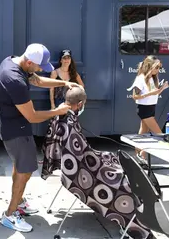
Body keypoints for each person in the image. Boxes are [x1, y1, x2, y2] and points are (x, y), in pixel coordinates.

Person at [41, 86, 152, 239]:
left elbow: (79, 152)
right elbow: (82, 157)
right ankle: (133, 227)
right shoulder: (69, 121)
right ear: (80, 104)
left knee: (112, 159)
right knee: (125, 184)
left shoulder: (60, 115)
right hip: (82, 172)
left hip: (76, 165)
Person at [0, 43, 80, 232]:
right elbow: (32, 116)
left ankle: (20, 202)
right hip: (17, 132)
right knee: (24, 173)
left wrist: (63, 83)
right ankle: (9, 215)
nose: (41, 69)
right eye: (39, 66)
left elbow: (37, 80)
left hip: (14, 129)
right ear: (29, 61)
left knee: (20, 168)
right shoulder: (14, 79)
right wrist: (57, 111)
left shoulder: (12, 61)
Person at [127, 55, 169, 160]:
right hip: (144, 109)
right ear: (149, 66)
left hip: (150, 108)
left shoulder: (152, 79)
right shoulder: (140, 79)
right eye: (156, 67)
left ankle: (139, 155)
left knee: (143, 133)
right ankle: (142, 153)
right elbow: (134, 96)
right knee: (158, 135)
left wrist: (161, 89)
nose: (158, 70)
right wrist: (152, 93)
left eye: (159, 67)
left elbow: (153, 93)